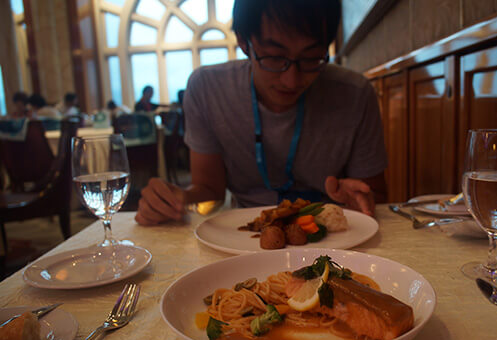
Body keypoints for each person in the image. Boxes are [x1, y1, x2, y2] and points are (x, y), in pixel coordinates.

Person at [135, 0, 387, 226]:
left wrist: (358, 200)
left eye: (311, 58)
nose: (291, 80)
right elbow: (209, 189)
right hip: (245, 233)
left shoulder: (355, 94)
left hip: (332, 235)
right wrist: (177, 198)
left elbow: (377, 196)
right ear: (244, 42)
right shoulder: (208, 89)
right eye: (275, 57)